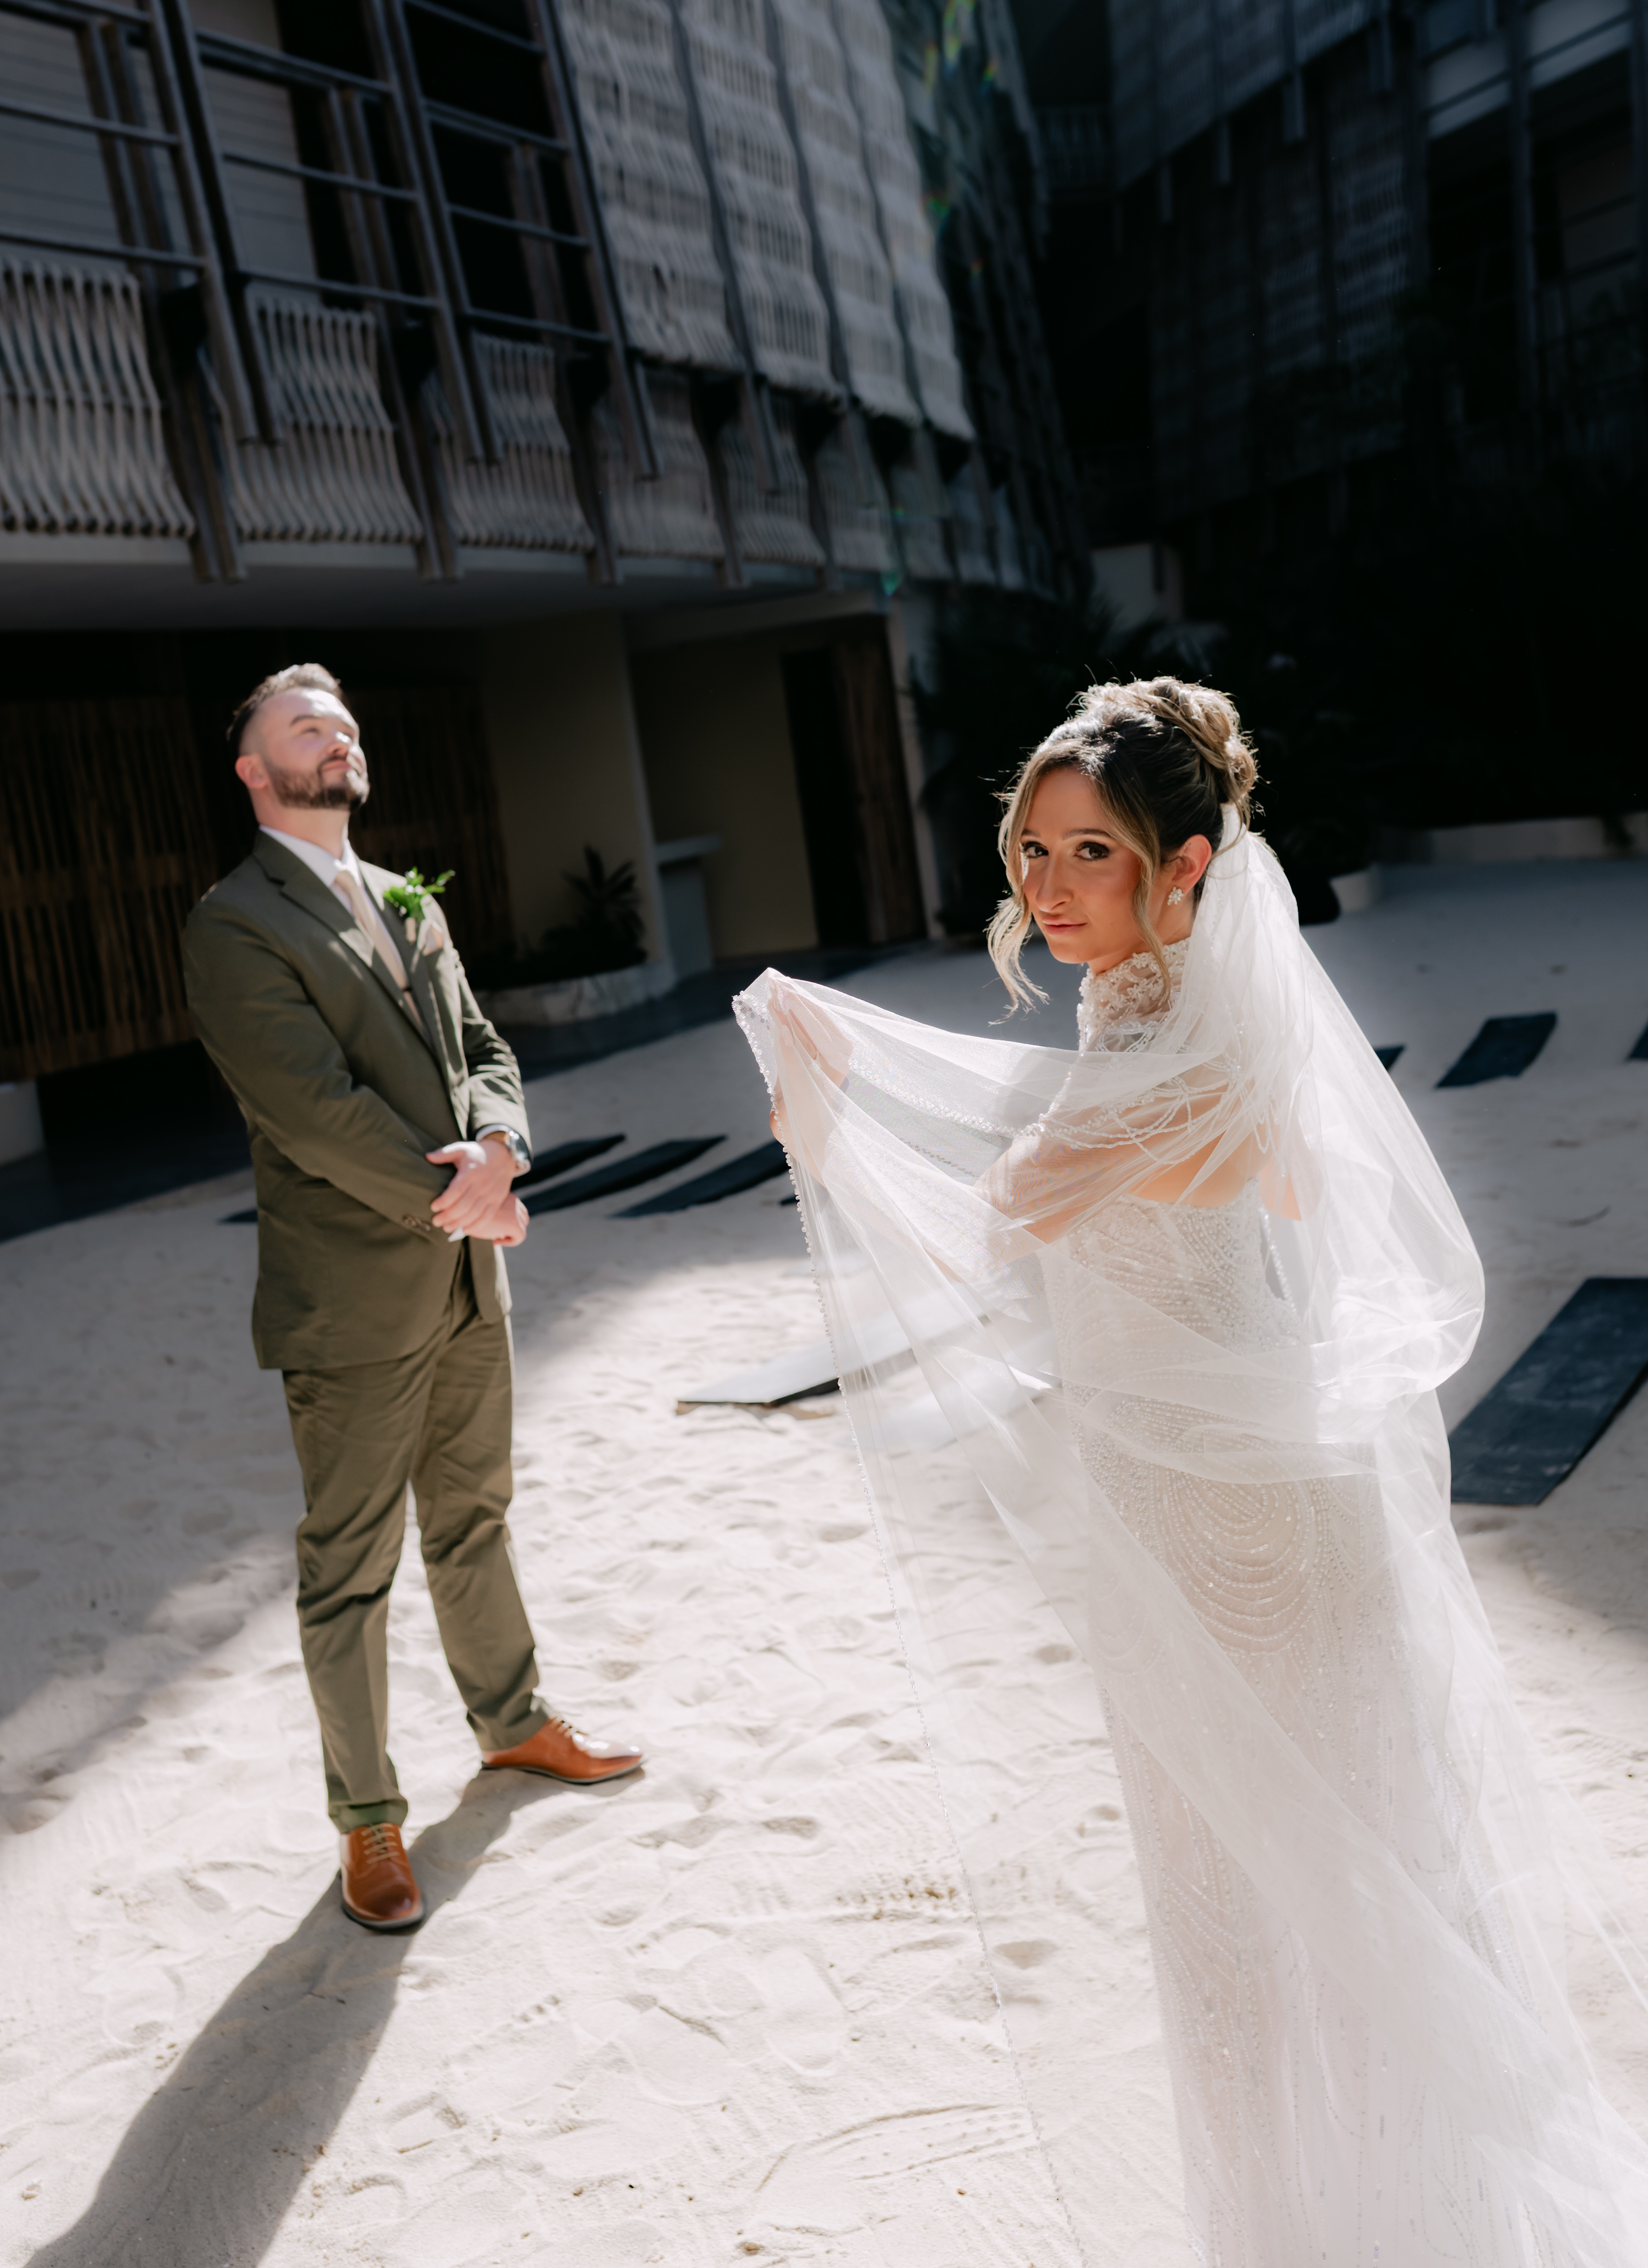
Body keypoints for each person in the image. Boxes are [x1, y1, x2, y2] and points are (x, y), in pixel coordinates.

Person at [741, 677, 1648, 2265]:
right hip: (1199, 1504)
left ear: (1188, 866)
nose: (1047, 884)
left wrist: (831, 1104)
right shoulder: (1167, 1033)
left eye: (1091, 849)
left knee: (1275, 1924)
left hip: (1248, 1535)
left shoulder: (1189, 1060)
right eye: (1032, 849)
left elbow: (995, 1225)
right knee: (1276, 1909)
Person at [183, 663, 640, 1933]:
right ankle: (368, 1821)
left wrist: (502, 1152)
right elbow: (314, 1112)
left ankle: (512, 1722)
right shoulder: (233, 924)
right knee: (351, 1565)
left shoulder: (405, 898)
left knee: (475, 1514)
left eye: (342, 720)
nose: (332, 735)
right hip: (353, 1297)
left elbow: (483, 1049)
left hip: (465, 1276)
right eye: (299, 724)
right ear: (253, 769)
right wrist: (467, 1199)